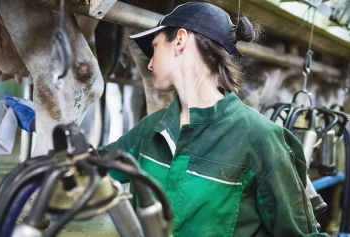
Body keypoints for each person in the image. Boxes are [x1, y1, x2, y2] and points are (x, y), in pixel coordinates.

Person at [97, 2, 326, 236]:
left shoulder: (261, 138)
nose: (149, 62)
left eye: (154, 47)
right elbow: (95, 170)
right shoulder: (152, 128)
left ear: (179, 40)